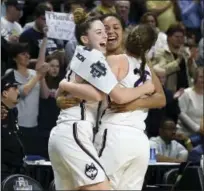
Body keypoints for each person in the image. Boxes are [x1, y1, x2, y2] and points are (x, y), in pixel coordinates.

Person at [48, 16, 155, 190]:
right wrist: (146, 88)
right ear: (85, 39)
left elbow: (64, 91)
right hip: (75, 130)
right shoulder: (96, 58)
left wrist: (62, 90)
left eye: (107, 31)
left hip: (68, 130)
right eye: (100, 32)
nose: (106, 35)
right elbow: (108, 96)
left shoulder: (83, 55)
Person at [7, 27, 50, 155]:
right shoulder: (10, 74)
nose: (27, 56)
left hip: (33, 126)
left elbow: (45, 95)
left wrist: (41, 77)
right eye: (22, 54)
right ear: (15, 58)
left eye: (27, 53)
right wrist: (38, 75)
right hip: (16, 126)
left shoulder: (34, 74)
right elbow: (22, 93)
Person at [1, 71, 25, 181]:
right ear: (5, 93)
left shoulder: (12, 112)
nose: (18, 91)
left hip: (15, 171)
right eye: (14, 88)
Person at [177, 67, 204, 136]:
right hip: (187, 134)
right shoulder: (186, 93)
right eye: (201, 77)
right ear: (195, 78)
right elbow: (181, 113)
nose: (203, 80)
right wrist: (197, 128)